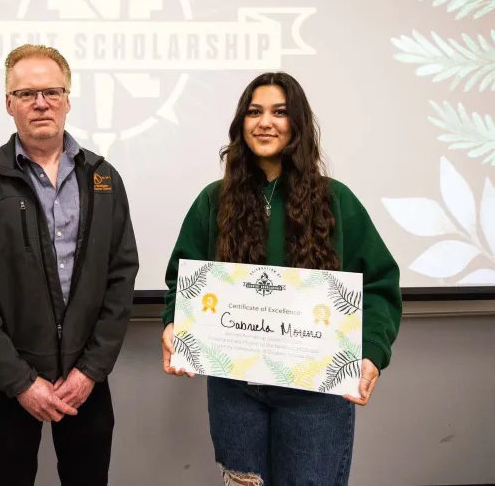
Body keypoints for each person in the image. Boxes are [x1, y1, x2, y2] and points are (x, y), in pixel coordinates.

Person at [160, 72, 402, 485]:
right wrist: (173, 327)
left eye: (279, 112)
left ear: (298, 124)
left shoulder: (335, 199)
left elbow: (379, 284)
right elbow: (182, 282)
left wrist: (372, 352)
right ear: (242, 124)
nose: (265, 122)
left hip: (316, 393)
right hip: (235, 391)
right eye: (254, 112)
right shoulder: (213, 200)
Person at [0, 44, 139, 486]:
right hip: (7, 385)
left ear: (68, 99)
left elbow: (121, 275)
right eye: (26, 93)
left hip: (86, 381)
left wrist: (91, 370)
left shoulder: (104, 178)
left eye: (52, 91)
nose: (41, 103)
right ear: (8, 104)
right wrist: (20, 381)